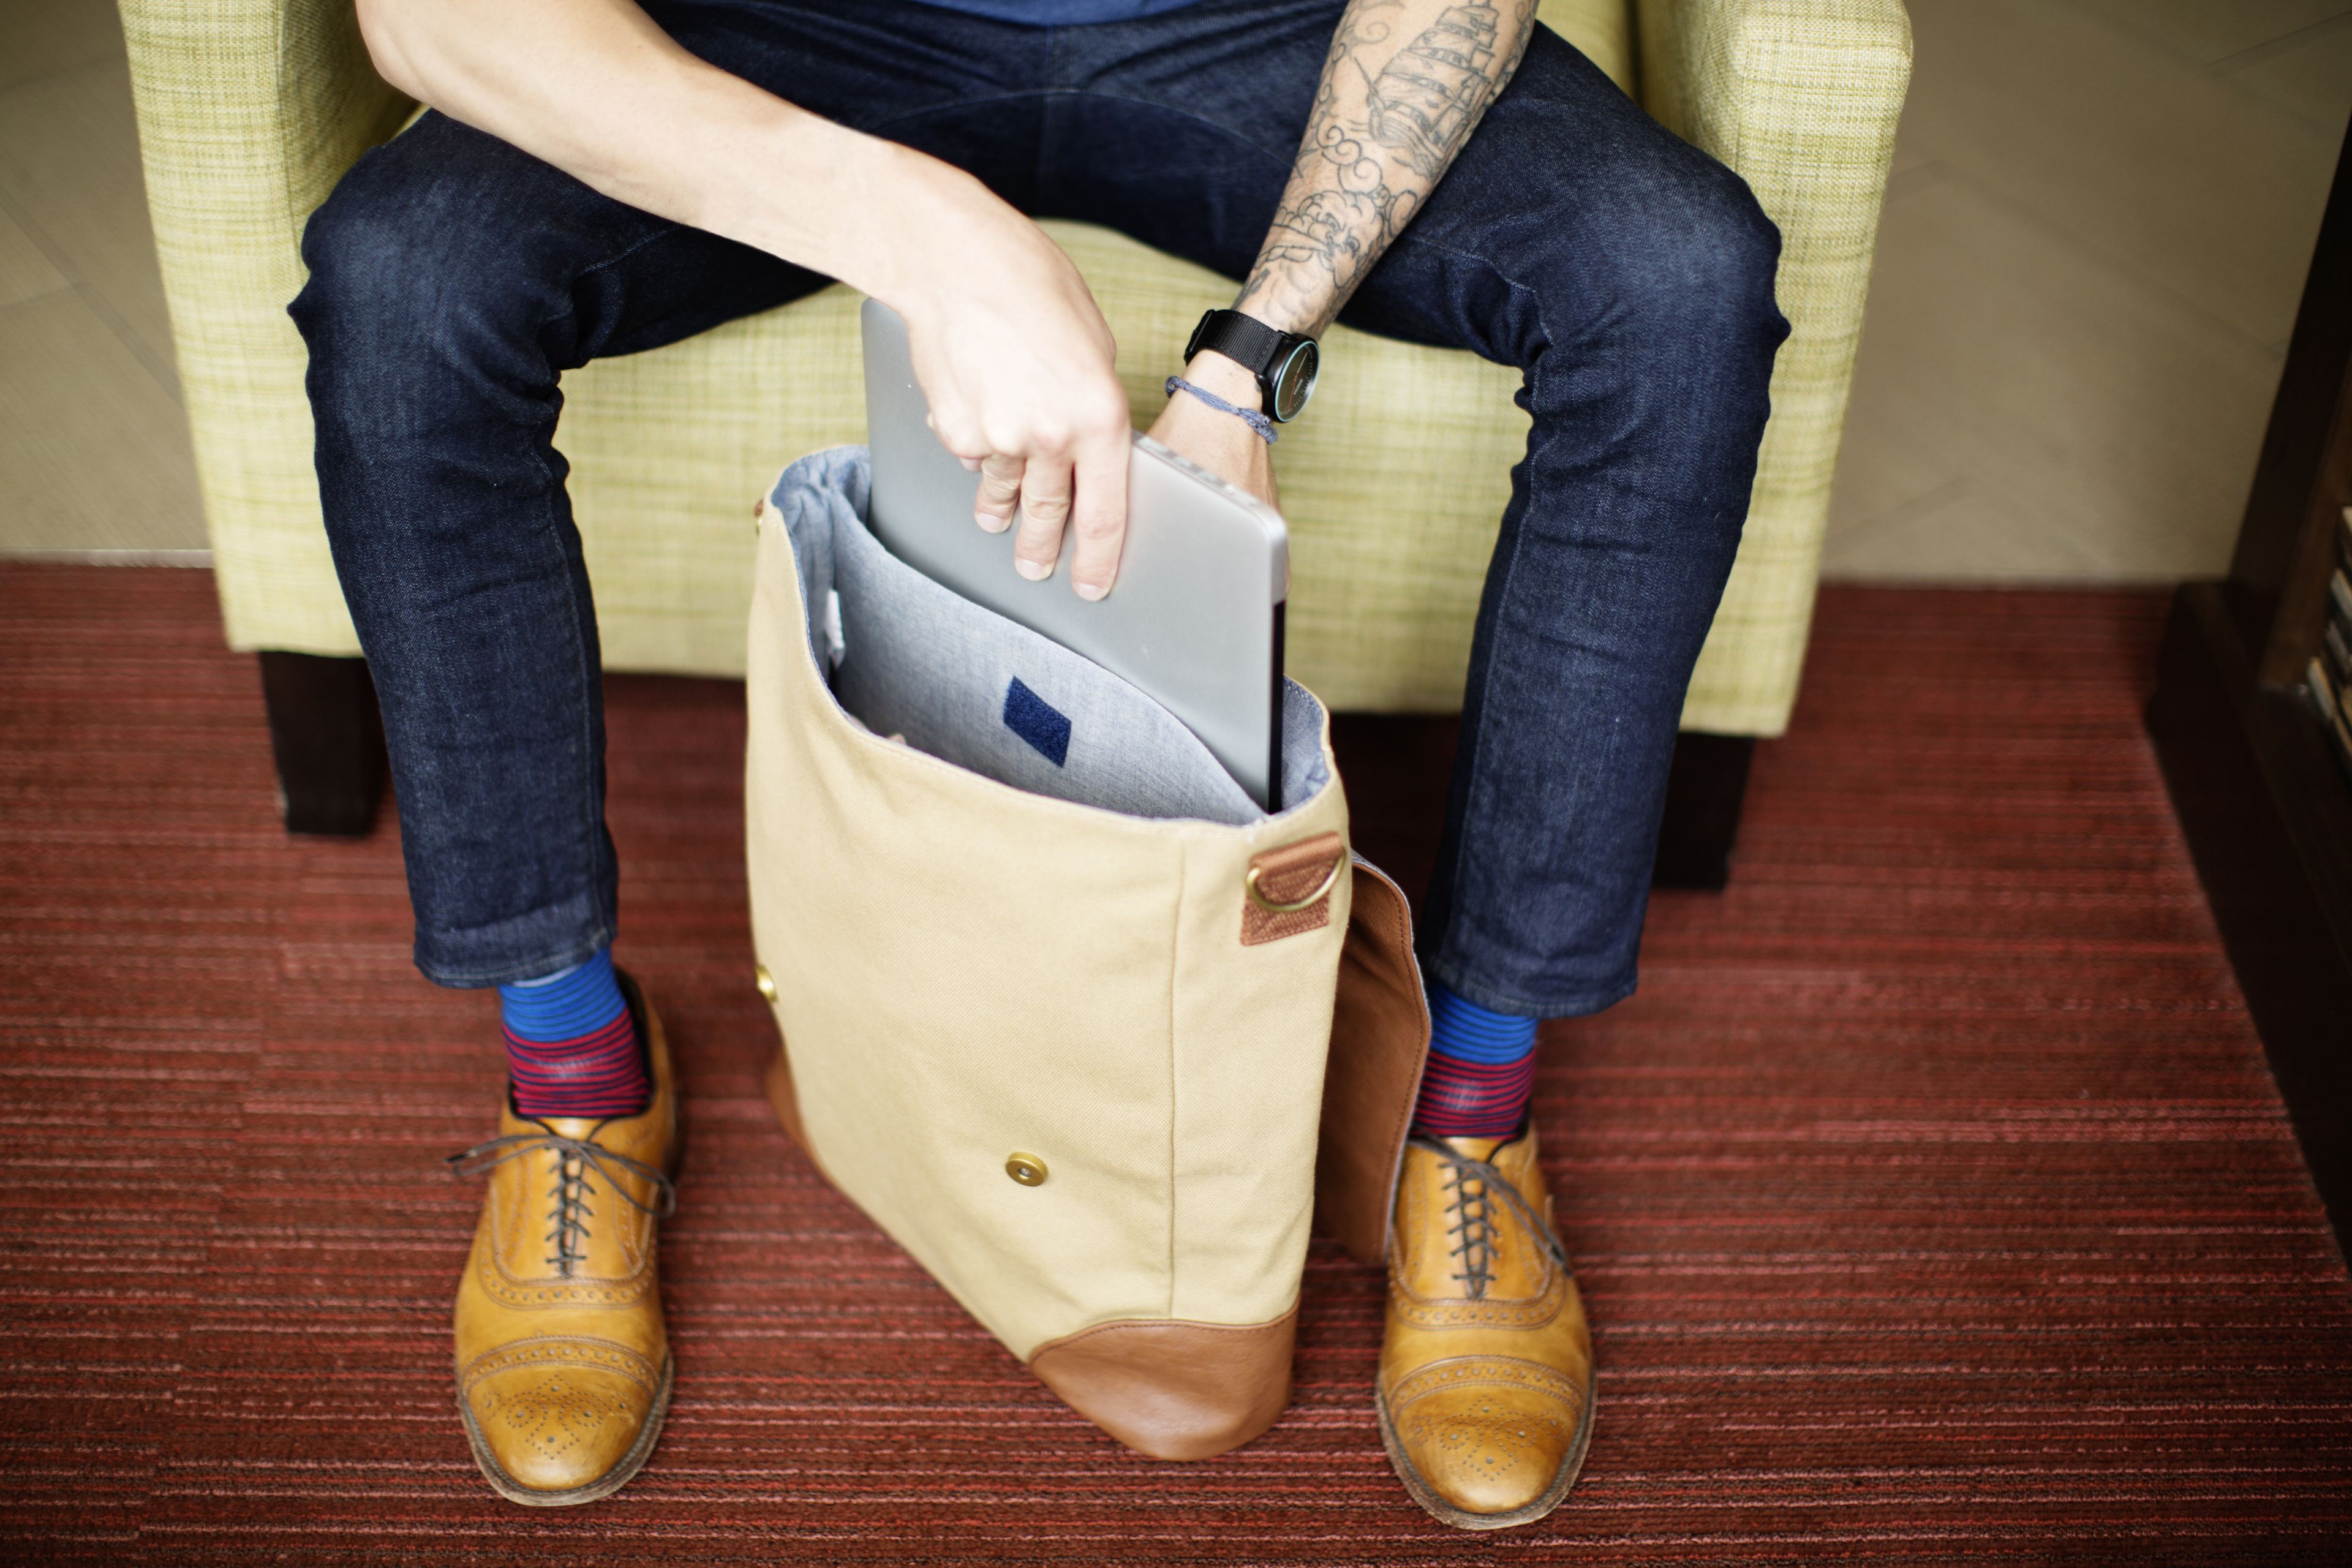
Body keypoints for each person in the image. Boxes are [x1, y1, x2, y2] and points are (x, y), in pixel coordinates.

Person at [291, 0, 1785, 1529]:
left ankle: (1469, 1107)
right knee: (403, 279)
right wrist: (926, 230)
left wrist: (1253, 357)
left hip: (1263, 34)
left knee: (1679, 281)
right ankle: (577, 1076)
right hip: (776, 33)